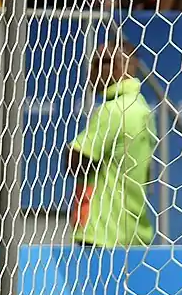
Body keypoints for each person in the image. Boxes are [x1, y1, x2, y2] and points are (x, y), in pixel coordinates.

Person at [66, 41, 158, 247]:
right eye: (93, 63)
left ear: (126, 66)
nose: (93, 71)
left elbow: (75, 161)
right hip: (134, 232)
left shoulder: (113, 110)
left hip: (100, 232)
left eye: (102, 62)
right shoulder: (142, 108)